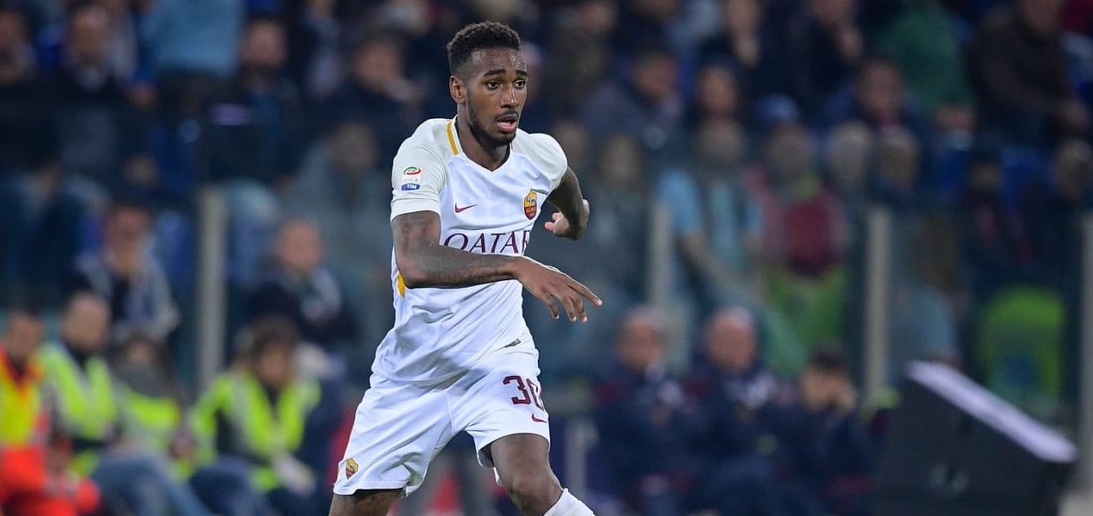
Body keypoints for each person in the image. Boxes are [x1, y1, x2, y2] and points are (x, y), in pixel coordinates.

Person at [330, 21, 601, 516]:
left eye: (518, 82)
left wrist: (574, 223)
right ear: (458, 89)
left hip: (498, 356)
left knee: (530, 484)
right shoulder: (426, 151)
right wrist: (516, 264)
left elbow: (570, 192)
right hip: (416, 368)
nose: (510, 98)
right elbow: (416, 260)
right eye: (492, 84)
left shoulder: (540, 154)